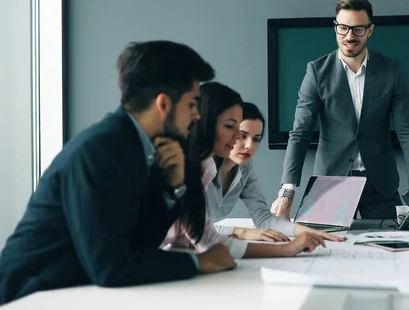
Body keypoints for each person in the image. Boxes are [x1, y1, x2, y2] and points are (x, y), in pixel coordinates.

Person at [0, 41, 236, 305]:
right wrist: (198, 262)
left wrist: (172, 186)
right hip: (26, 298)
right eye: (192, 104)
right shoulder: (100, 151)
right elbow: (110, 267)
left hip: (71, 294)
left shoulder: (142, 147)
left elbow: (141, 246)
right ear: (163, 104)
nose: (196, 115)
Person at [271, 0, 409, 221]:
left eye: (358, 29)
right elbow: (300, 132)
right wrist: (287, 190)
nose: (349, 36)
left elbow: (407, 133)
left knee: (387, 251)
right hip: (330, 184)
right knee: (323, 251)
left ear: (370, 30)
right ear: (335, 27)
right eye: (343, 28)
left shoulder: (391, 70)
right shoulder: (317, 72)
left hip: (380, 185)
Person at [162, 82, 328, 259]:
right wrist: (282, 247)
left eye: (256, 139)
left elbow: (200, 233)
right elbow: (204, 237)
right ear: (205, 121)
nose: (242, 141)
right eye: (231, 127)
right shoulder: (187, 164)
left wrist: (306, 232)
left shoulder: (228, 168)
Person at [205, 102, 345, 242]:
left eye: (256, 139)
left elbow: (264, 219)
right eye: (243, 135)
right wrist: (243, 233)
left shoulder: (245, 169)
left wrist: (309, 232)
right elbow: (190, 226)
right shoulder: (201, 166)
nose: (249, 146)